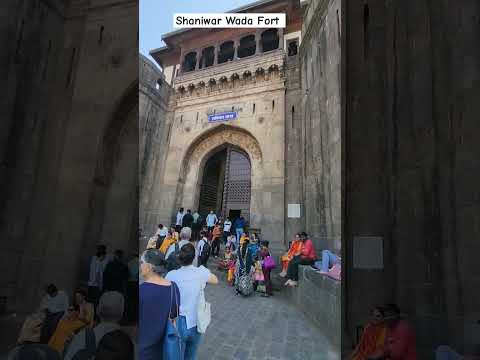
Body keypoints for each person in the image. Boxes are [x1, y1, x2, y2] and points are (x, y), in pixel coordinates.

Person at [165, 243, 218, 360]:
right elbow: (215, 280)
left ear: (179, 258)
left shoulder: (171, 275)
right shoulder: (200, 272)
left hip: (177, 321)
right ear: (194, 258)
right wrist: (204, 271)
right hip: (195, 320)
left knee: (176, 355)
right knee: (191, 355)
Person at [138, 249, 180, 360]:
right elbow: (174, 318)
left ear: (149, 267)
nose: (140, 266)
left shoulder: (141, 291)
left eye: (141, 263)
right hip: (163, 351)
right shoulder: (174, 288)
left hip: (142, 353)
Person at [63, 291, 125, 360]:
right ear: (122, 313)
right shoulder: (130, 344)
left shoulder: (82, 337)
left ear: (97, 310)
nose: (77, 299)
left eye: (79, 297)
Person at [126, 253, 139, 323]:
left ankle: (130, 315)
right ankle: (136, 315)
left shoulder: (129, 263)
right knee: (136, 300)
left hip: (130, 283)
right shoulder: (140, 263)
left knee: (130, 300)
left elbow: (127, 273)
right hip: (137, 283)